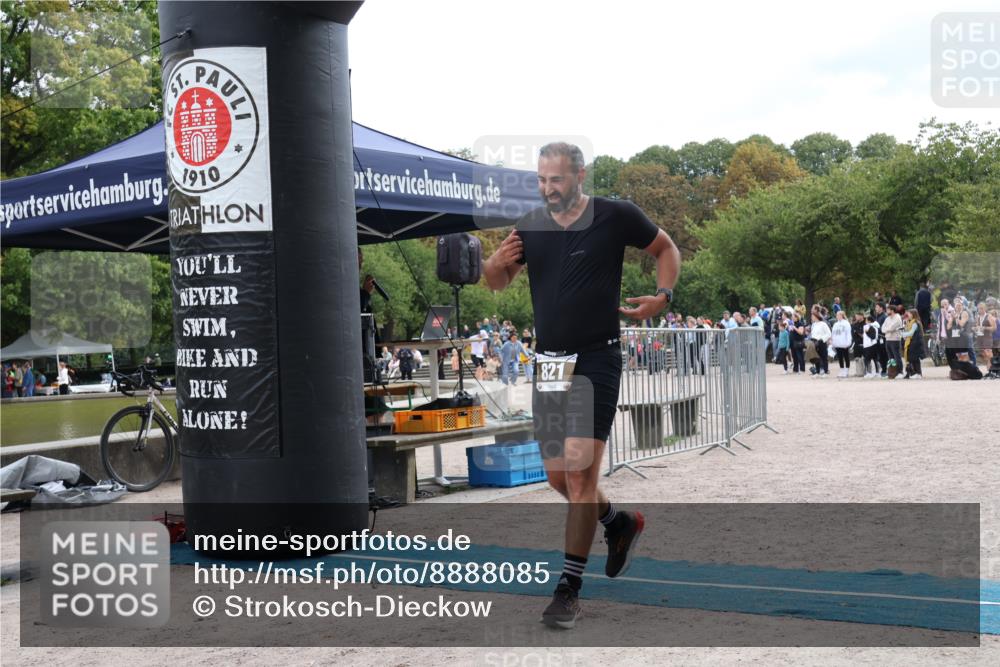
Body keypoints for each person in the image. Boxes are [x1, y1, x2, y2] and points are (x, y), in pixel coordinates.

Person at [483, 141, 680, 629]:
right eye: (541, 180)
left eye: (558, 180)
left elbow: (666, 248)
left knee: (579, 476)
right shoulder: (529, 224)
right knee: (557, 479)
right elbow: (497, 283)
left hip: (596, 357)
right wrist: (492, 263)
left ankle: (568, 588)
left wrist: (663, 295)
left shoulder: (616, 215)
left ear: (580, 175)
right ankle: (618, 522)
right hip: (549, 364)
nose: (549, 189)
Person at [900, 309, 924, 379]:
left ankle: (918, 373)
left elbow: (911, 333)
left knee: (915, 359)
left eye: (909, 313)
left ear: (913, 314)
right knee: (910, 359)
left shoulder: (915, 323)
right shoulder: (908, 322)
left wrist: (903, 334)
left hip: (915, 343)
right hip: (909, 343)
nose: (908, 315)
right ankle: (910, 372)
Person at [881, 305, 904, 378]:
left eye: (888, 310)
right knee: (890, 357)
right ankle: (892, 372)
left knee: (897, 356)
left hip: (895, 339)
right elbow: (882, 328)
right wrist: (887, 330)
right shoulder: (887, 318)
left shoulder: (897, 317)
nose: (886, 311)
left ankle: (900, 372)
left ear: (892, 310)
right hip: (888, 339)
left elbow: (892, 327)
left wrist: (887, 330)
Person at [809, 311, 832, 377]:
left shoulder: (823, 324)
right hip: (814, 342)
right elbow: (813, 334)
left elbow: (828, 333)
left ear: (816, 317)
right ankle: (817, 372)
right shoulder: (814, 325)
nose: (811, 318)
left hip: (821, 342)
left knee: (824, 357)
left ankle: (825, 371)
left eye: (812, 316)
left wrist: (822, 339)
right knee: (816, 357)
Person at [830, 311, 853, 378]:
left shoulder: (846, 323)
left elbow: (848, 334)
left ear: (842, 315)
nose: (837, 316)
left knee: (846, 356)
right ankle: (841, 369)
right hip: (837, 343)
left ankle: (846, 370)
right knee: (840, 357)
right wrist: (833, 342)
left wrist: (848, 343)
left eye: (838, 315)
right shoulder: (835, 324)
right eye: (837, 315)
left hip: (844, 343)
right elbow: (833, 333)